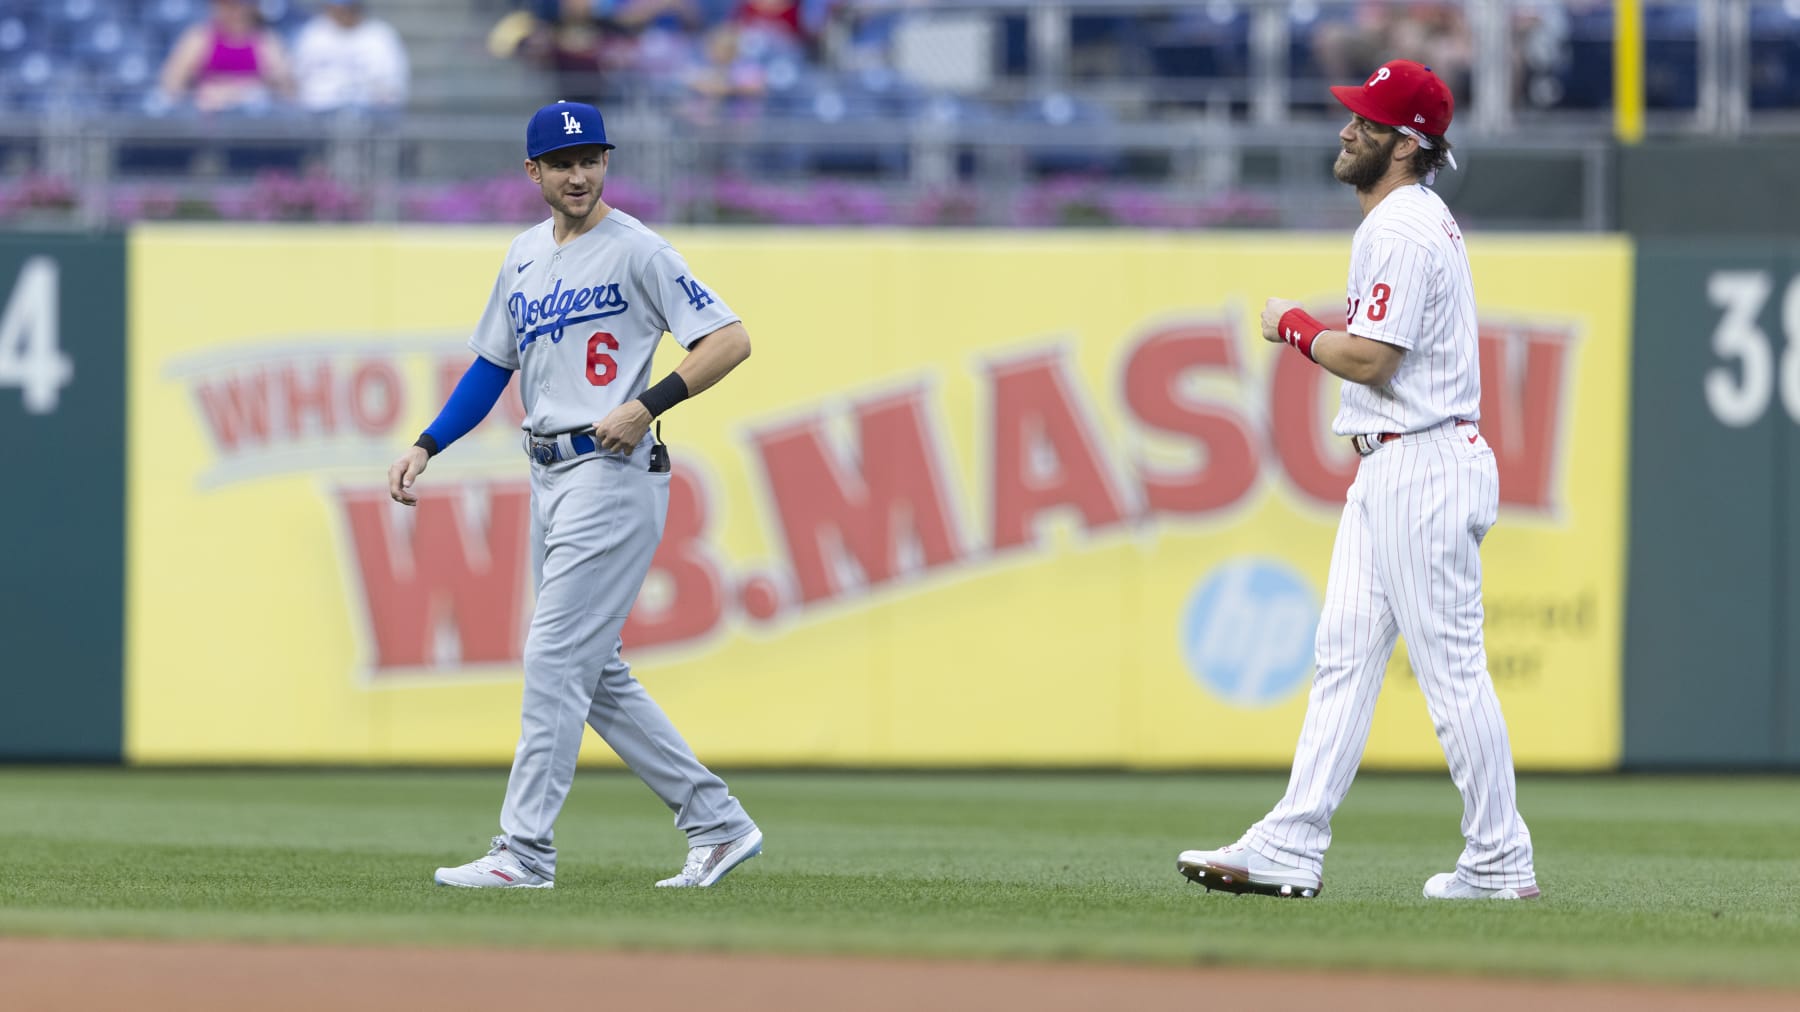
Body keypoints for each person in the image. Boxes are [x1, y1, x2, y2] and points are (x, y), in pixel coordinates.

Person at [1176, 60, 1538, 902]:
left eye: (1369, 122)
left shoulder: (1403, 225)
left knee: (1451, 677)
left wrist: (1297, 330)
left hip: (1422, 461)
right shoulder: (1410, 219)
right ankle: (1293, 841)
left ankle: (1499, 859)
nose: (1348, 130)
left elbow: (1373, 360)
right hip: (1397, 466)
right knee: (1342, 656)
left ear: (1409, 144)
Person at [389, 100, 762, 890]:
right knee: (592, 672)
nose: (579, 173)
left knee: (555, 656)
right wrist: (428, 443)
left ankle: (523, 852)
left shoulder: (638, 249)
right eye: (562, 162)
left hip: (612, 467)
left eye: (591, 157)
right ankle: (719, 824)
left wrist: (649, 403)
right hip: (548, 471)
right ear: (533, 172)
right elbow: (494, 366)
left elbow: (729, 339)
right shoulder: (523, 255)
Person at [157, 0, 295, 114]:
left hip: (253, 120)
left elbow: (287, 87)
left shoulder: (265, 40)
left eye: (236, 5)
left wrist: (236, 93)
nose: (231, 11)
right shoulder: (200, 37)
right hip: (208, 118)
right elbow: (171, 83)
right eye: (224, 5)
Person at [292, 0, 411, 114]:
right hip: (317, 111)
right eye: (335, 8)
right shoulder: (314, 33)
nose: (340, 13)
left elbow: (391, 86)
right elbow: (296, 77)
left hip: (366, 112)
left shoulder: (379, 36)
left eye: (345, 9)